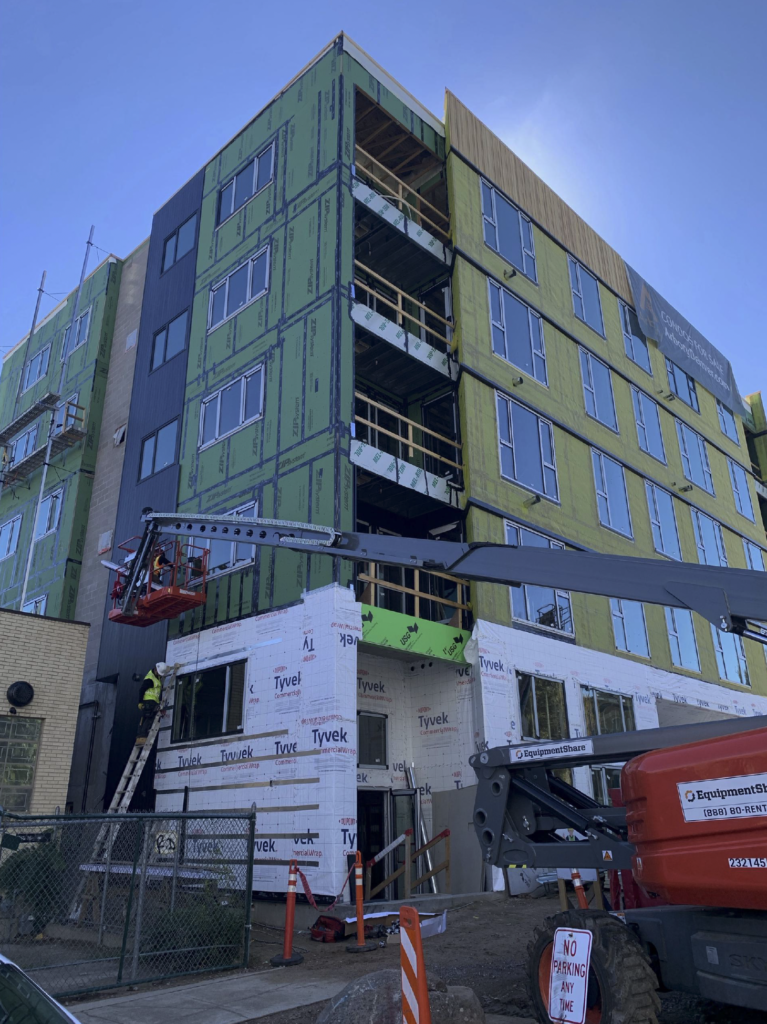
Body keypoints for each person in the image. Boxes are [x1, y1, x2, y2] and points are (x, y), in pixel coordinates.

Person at [136, 661, 169, 745]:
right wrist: (140, 702)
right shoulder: (150, 679)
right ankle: (142, 737)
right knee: (148, 719)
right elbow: (141, 689)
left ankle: (141, 737)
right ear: (155, 670)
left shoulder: (156, 677)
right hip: (148, 702)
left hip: (153, 702)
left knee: (147, 719)